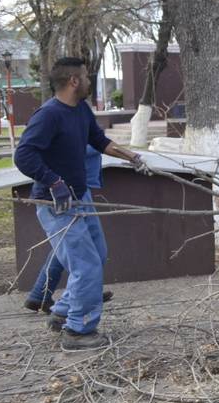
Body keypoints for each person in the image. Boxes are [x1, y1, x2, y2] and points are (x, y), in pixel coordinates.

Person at [13, 57, 150, 351]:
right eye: (86, 77)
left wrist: (133, 158)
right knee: (85, 265)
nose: (89, 81)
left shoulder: (81, 110)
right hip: (55, 203)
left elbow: (99, 141)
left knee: (97, 255)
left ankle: (62, 312)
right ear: (74, 81)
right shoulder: (49, 115)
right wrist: (54, 182)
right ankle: (78, 331)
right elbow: (23, 155)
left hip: (80, 197)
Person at [23, 145, 114, 313]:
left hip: (75, 188)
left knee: (69, 246)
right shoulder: (58, 121)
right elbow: (73, 146)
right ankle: (77, 299)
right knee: (82, 249)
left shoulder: (77, 120)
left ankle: (40, 294)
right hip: (66, 192)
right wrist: (104, 145)